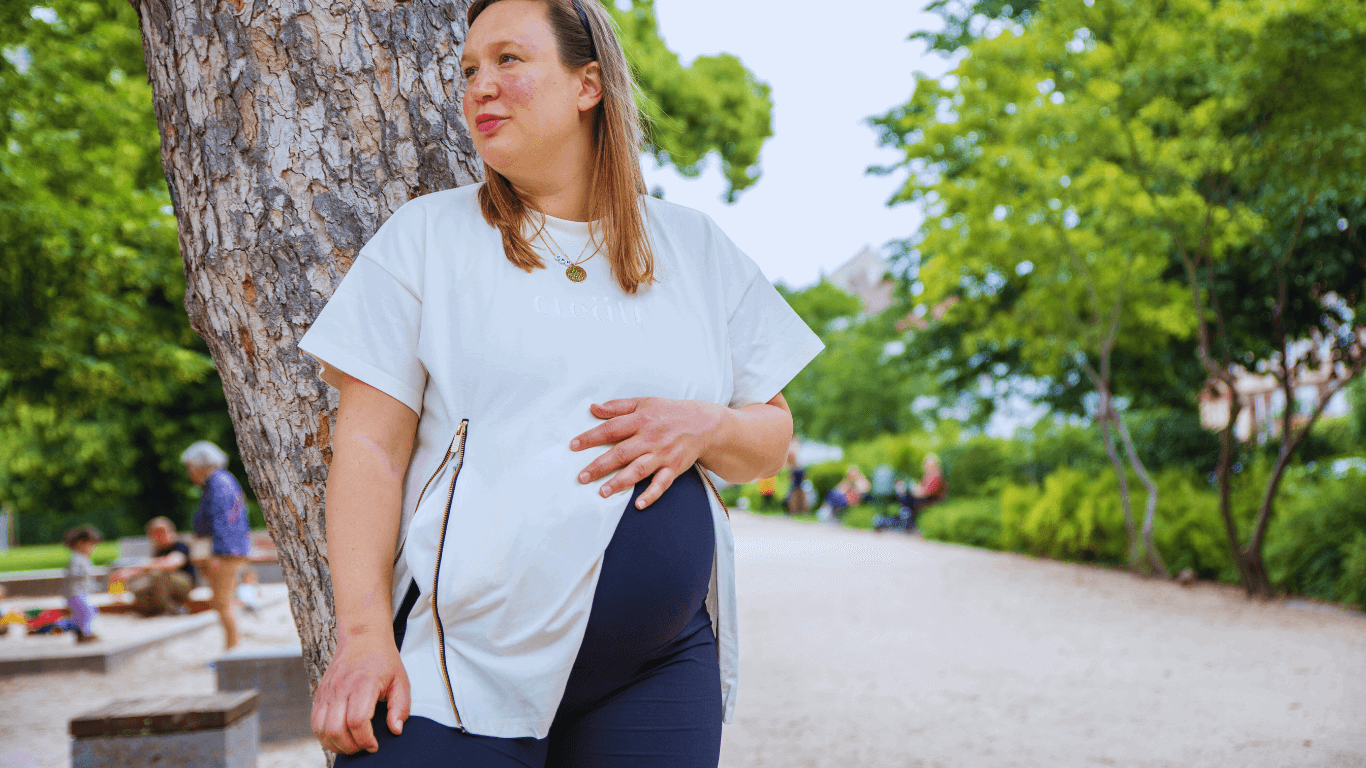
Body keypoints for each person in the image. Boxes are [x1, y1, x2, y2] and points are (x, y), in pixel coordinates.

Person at [297, 1, 824, 764]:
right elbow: (370, 451)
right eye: (470, 68)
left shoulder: (696, 247)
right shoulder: (425, 241)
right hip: (458, 668)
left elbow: (770, 440)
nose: (481, 85)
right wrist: (363, 639)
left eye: (509, 60)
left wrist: (710, 426)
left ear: (587, 84)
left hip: (660, 667)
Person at [182, 441, 251, 650]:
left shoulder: (218, 483)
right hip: (228, 551)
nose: (190, 473)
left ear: (200, 466)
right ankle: (232, 648)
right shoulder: (222, 481)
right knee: (222, 602)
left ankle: (232, 650)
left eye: (190, 468)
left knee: (222, 602)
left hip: (225, 553)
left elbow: (223, 521)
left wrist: (218, 554)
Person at [114, 517, 196, 616]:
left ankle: (170, 610)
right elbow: (151, 567)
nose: (158, 537)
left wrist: (146, 565)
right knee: (138, 587)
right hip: (165, 583)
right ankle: (154, 610)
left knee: (157, 574)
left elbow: (172, 563)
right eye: (155, 534)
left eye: (161, 533)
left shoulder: (180, 546)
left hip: (185, 582)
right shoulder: (159, 549)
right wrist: (128, 573)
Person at [61, 525, 102, 644]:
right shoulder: (77, 558)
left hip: (80, 592)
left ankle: (81, 632)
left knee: (88, 611)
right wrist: (83, 573)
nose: (93, 548)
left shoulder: (83, 558)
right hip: (75, 594)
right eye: (91, 544)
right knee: (86, 611)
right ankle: (85, 633)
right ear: (80, 544)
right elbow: (73, 573)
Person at [783, 437, 807, 515]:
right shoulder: (796, 449)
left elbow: (790, 463)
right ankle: (798, 509)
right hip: (798, 471)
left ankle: (796, 510)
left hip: (797, 471)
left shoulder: (793, 449)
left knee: (796, 491)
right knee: (798, 491)